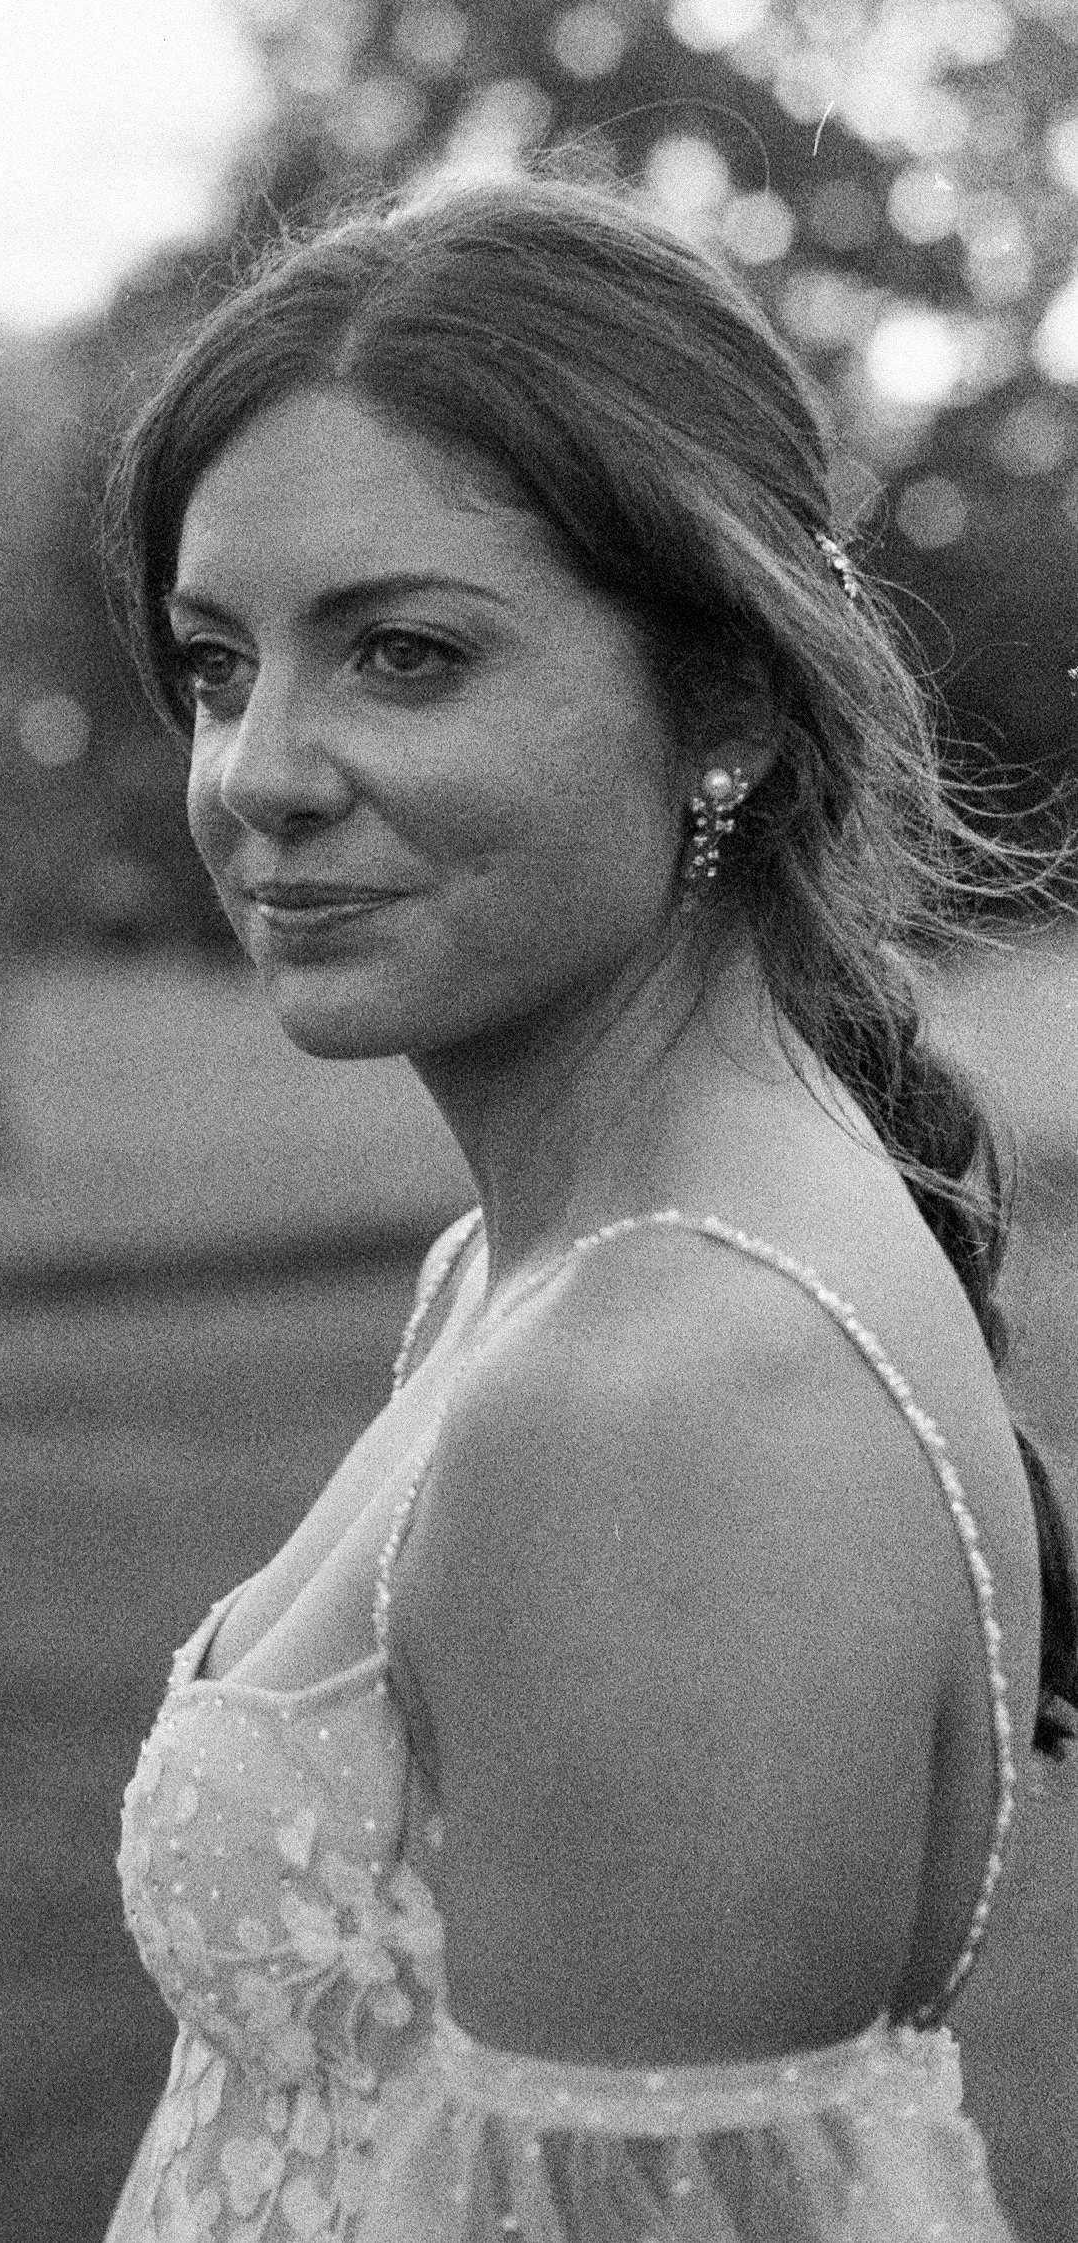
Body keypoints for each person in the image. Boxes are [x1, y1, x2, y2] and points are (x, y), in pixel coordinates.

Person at [100, 176, 1076, 2243]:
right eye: (216, 664)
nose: (257, 769)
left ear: (724, 702)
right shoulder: (526, 1269)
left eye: (403, 654)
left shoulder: (670, 1390)